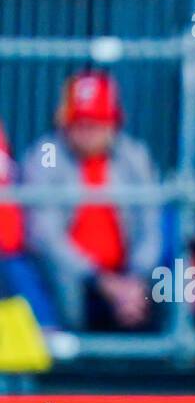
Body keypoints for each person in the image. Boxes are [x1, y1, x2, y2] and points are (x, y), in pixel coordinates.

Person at [21, 70, 163, 331]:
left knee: (170, 272)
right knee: (54, 278)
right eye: (80, 122)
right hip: (75, 276)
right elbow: (45, 237)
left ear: (114, 123)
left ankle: (170, 361)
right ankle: (71, 362)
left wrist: (136, 279)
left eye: (97, 123)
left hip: (129, 274)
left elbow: (151, 226)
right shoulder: (46, 155)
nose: (88, 132)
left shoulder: (134, 156)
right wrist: (100, 280)